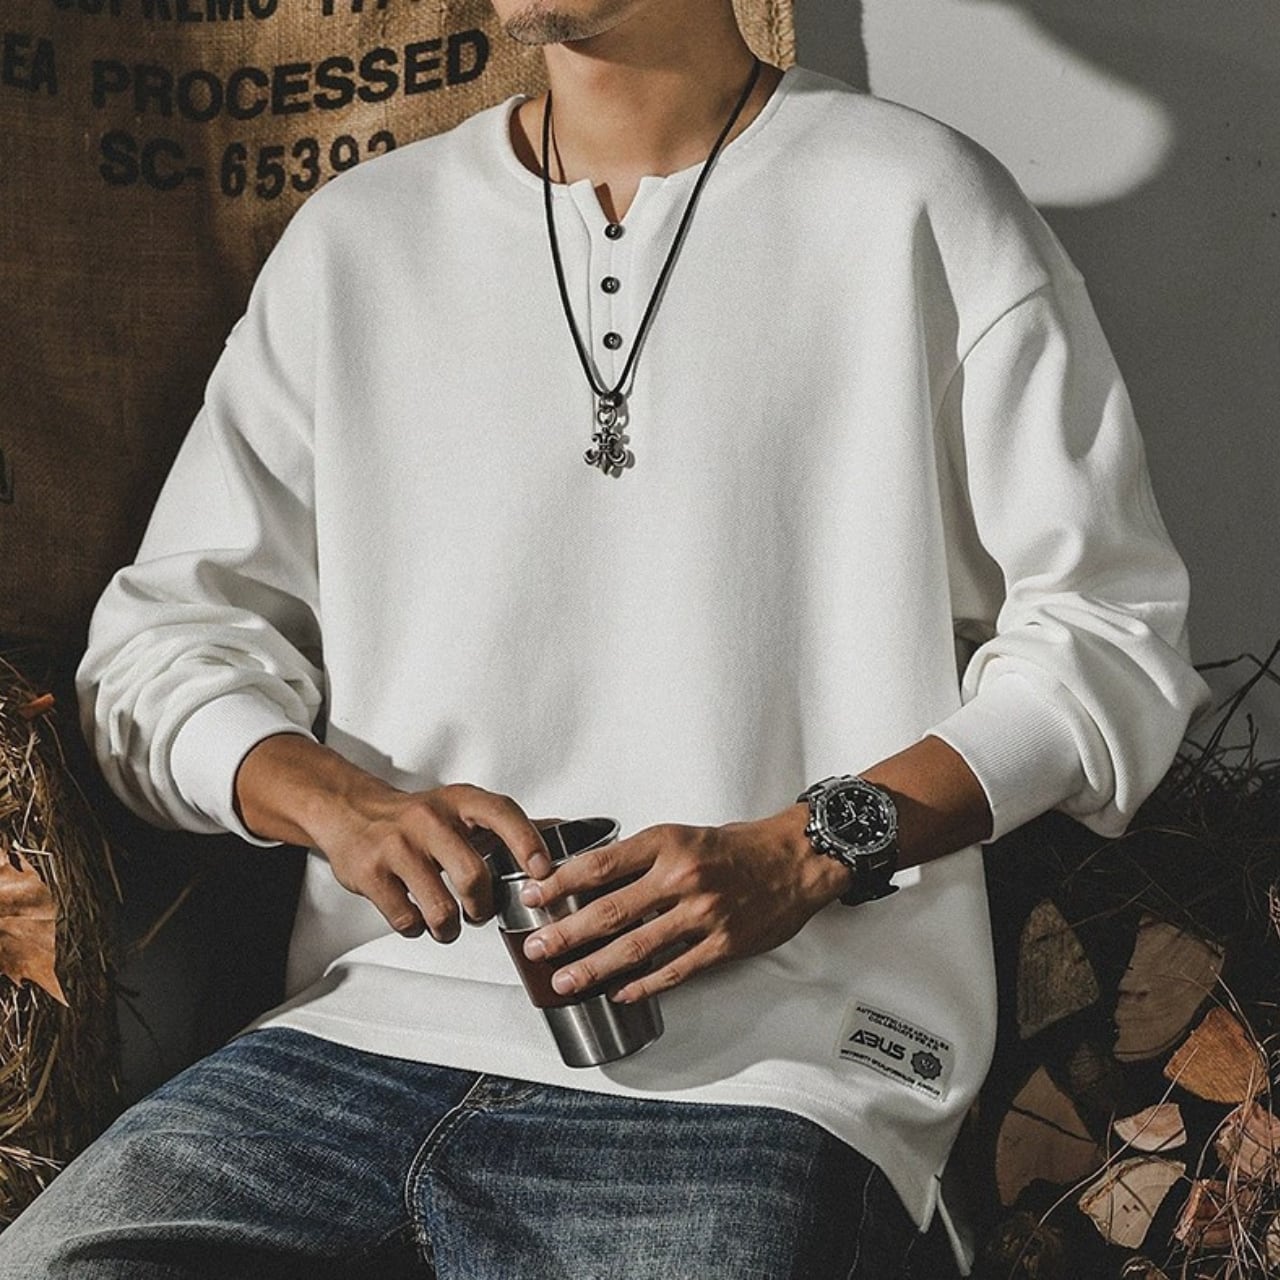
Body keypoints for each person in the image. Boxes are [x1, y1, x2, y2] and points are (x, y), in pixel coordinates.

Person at [0, 0, 1209, 1275]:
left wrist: (805, 848)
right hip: (355, 1035)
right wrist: (339, 807)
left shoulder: (918, 202)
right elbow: (158, 645)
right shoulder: (358, 238)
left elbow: (1106, 638)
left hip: (777, 1064)